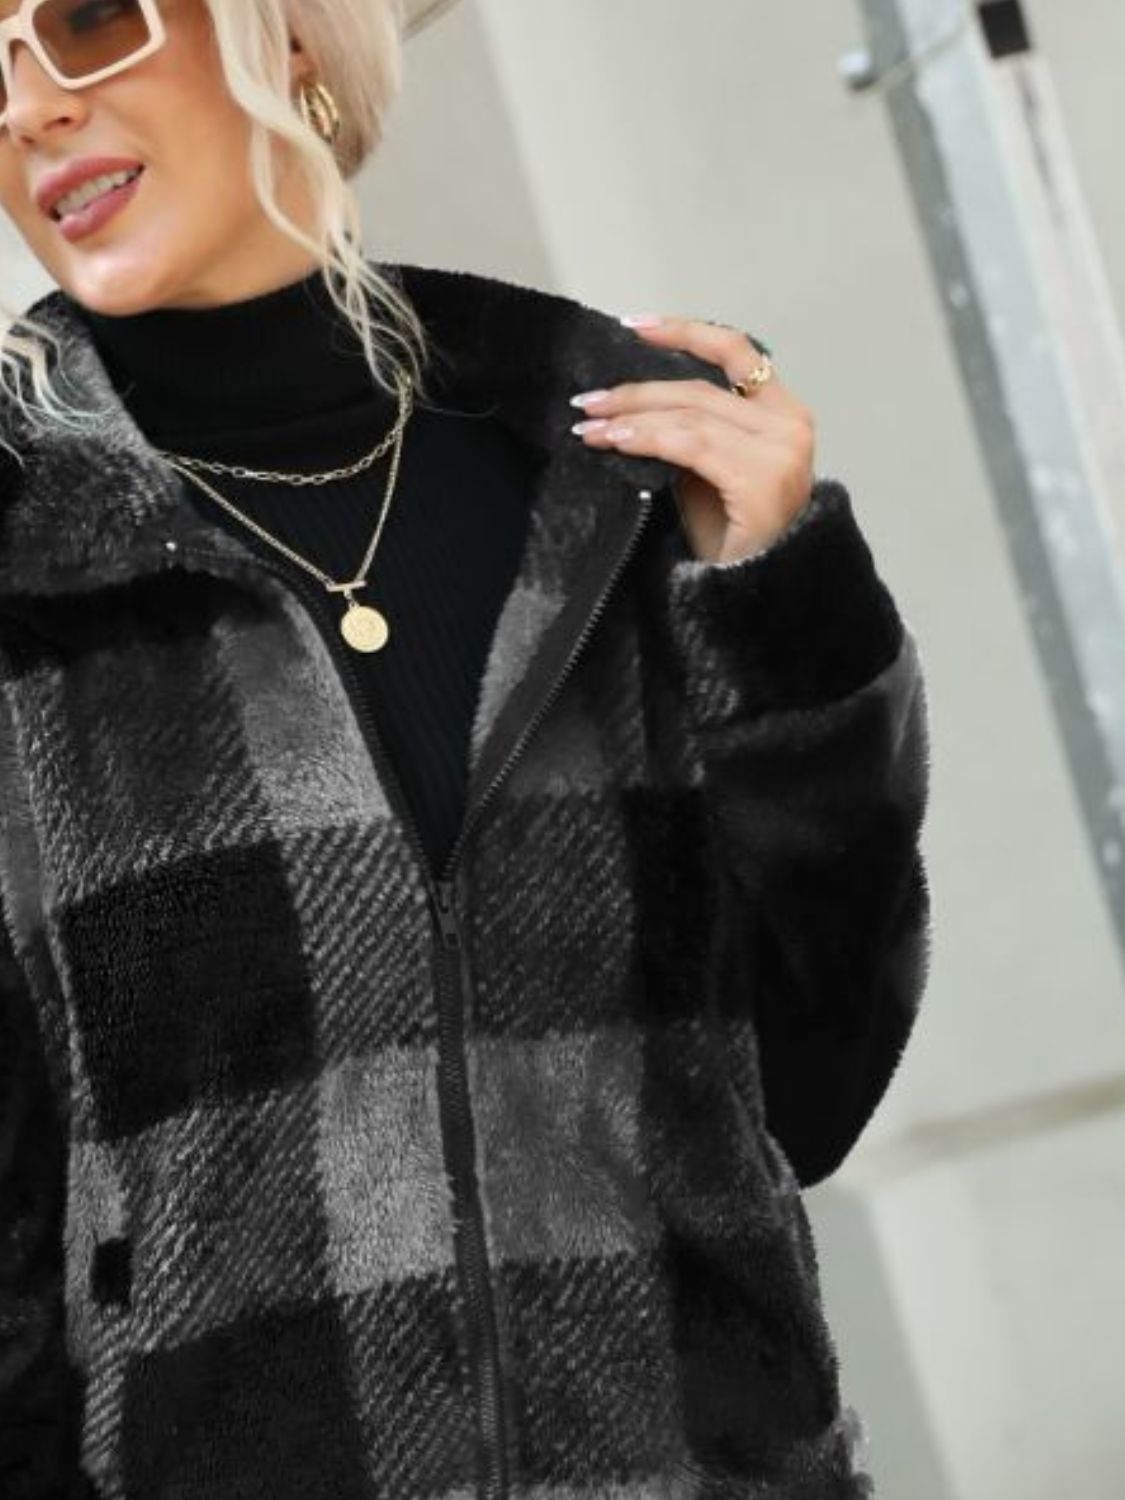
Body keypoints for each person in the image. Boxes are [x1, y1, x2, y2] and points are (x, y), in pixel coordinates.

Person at [0, 1, 932, 1497]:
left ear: (289, 38)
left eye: (92, 17)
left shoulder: (612, 485)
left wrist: (783, 615)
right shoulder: (28, 577)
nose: (29, 104)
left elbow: (809, 1089)